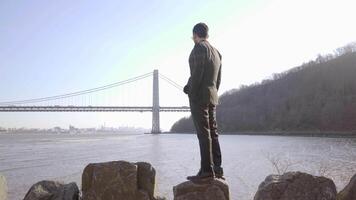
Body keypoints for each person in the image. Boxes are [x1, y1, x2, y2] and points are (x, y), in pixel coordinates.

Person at [183, 22, 224, 180]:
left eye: (192, 36)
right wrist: (212, 93)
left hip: (199, 97)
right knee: (213, 132)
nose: (193, 39)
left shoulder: (199, 48)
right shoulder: (217, 53)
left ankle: (206, 171)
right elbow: (218, 80)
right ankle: (218, 169)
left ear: (195, 35)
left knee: (203, 133)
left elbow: (197, 75)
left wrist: (190, 92)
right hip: (212, 96)